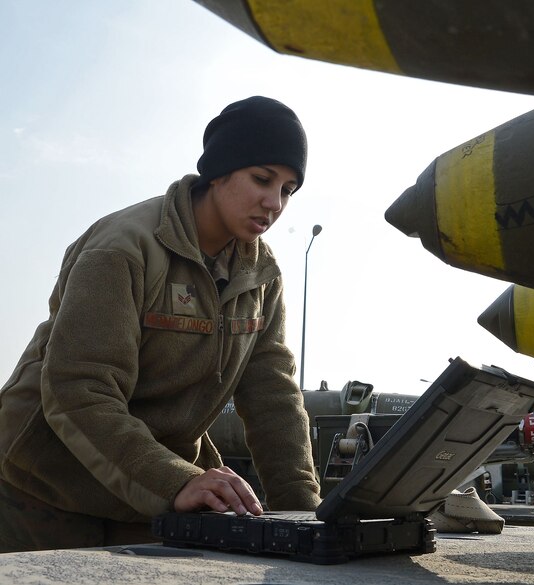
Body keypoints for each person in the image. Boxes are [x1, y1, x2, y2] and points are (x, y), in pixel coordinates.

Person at [0, 96, 321, 552]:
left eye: (288, 190)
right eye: (262, 179)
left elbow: (273, 397)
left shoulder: (261, 275)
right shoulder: (122, 249)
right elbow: (79, 389)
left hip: (153, 492)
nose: (274, 203)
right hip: (48, 488)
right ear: (220, 171)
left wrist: (305, 515)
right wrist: (174, 482)